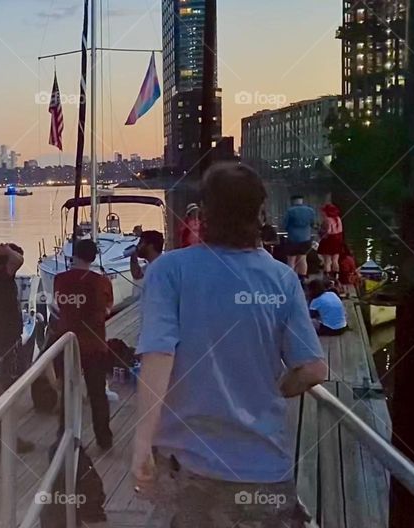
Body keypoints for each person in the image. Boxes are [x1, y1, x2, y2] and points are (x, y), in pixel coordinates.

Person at [131, 162, 326, 527]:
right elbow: (313, 369)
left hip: (186, 466)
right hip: (264, 469)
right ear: (260, 213)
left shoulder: (169, 271)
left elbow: (158, 356)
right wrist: (279, 387)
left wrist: (142, 442)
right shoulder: (282, 279)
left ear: (204, 212)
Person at [53, 239, 114, 450]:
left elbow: (60, 306)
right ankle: (104, 439)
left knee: (68, 392)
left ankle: (64, 435)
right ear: (94, 257)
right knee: (98, 393)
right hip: (94, 344)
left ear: (75, 254)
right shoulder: (101, 282)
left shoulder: (60, 279)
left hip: (68, 342)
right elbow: (107, 309)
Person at [0, 243, 35, 453]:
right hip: (7, 338)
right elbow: (18, 260)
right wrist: (5, 249)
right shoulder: (2, 277)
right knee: (11, 387)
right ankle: (9, 436)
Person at [283, 195, 316, 282]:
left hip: (292, 238)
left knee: (291, 260)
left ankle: (291, 279)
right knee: (303, 259)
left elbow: (285, 225)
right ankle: (302, 279)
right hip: (306, 238)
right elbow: (313, 224)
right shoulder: (310, 210)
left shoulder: (290, 211)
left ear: (293, 201)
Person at [317, 203, 344, 283]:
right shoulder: (338, 219)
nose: (322, 213)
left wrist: (319, 230)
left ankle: (327, 279)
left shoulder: (327, 220)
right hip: (338, 240)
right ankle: (336, 277)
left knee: (327, 261)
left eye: (323, 211)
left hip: (329, 241)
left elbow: (327, 232)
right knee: (335, 260)